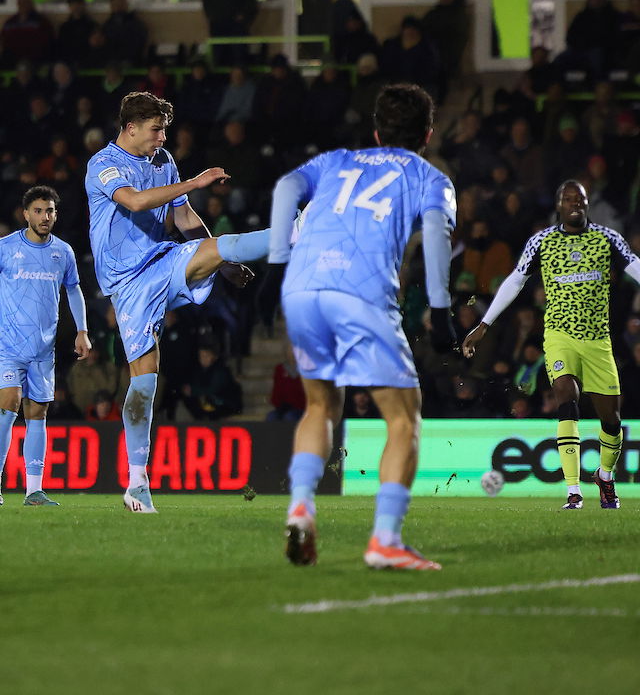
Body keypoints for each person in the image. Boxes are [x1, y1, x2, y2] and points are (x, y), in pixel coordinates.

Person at [263, 83, 457, 569]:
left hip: (303, 287)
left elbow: (287, 186)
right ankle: (385, 540)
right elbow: (435, 235)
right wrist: (440, 310)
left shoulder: (335, 160)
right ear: (427, 134)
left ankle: (302, 506)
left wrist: (277, 260)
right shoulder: (431, 178)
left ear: (376, 131)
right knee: (403, 417)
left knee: (320, 404)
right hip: (362, 292)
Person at [85, 91, 270, 513]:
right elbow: (132, 201)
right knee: (145, 380)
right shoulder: (103, 164)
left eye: (164, 128)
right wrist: (196, 181)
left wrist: (223, 266)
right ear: (131, 128)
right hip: (126, 282)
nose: (162, 136)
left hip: (161, 259)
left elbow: (184, 219)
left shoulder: (163, 160)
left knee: (219, 245)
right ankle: (136, 483)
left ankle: (293, 231)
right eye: (155, 128)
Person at [462, 180, 640, 510]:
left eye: (580, 199)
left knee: (612, 421)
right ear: (559, 204)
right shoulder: (542, 241)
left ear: (587, 204)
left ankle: (605, 476)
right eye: (568, 198)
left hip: (598, 340)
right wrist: (484, 324)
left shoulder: (607, 238)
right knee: (565, 398)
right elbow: (516, 280)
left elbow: (635, 266)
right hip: (559, 336)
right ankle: (573, 490)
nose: (575, 203)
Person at [0, 185, 91, 506]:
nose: (44, 216)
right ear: (25, 214)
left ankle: (33, 491)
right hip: (7, 347)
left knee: (37, 413)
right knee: (7, 408)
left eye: (49, 211)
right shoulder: (6, 248)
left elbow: (74, 290)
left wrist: (82, 331)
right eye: (38, 211)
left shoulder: (63, 252)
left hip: (43, 350)